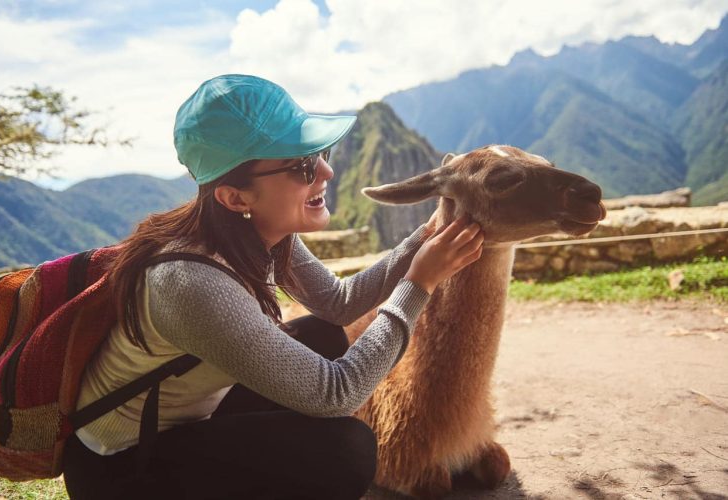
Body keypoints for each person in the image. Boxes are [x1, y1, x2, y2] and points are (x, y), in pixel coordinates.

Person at [62, 74, 484, 500]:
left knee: (321, 334)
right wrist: (419, 283)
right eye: (302, 166)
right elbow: (335, 394)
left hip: (189, 422)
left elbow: (339, 303)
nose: (326, 170)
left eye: (319, 152)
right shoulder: (190, 283)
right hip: (122, 467)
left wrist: (425, 236)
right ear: (235, 198)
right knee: (345, 453)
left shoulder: (259, 233)